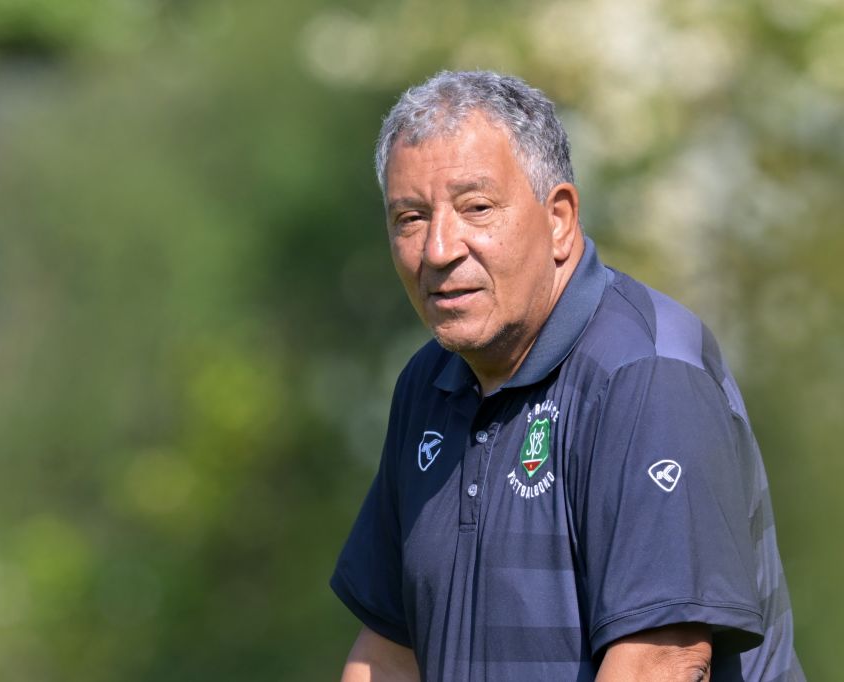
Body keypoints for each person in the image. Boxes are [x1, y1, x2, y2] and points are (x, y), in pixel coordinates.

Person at [331, 70, 804, 681]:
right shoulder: (429, 383)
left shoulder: (646, 373)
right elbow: (388, 653)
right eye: (410, 218)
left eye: (476, 208)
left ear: (558, 218)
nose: (439, 249)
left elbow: (662, 660)